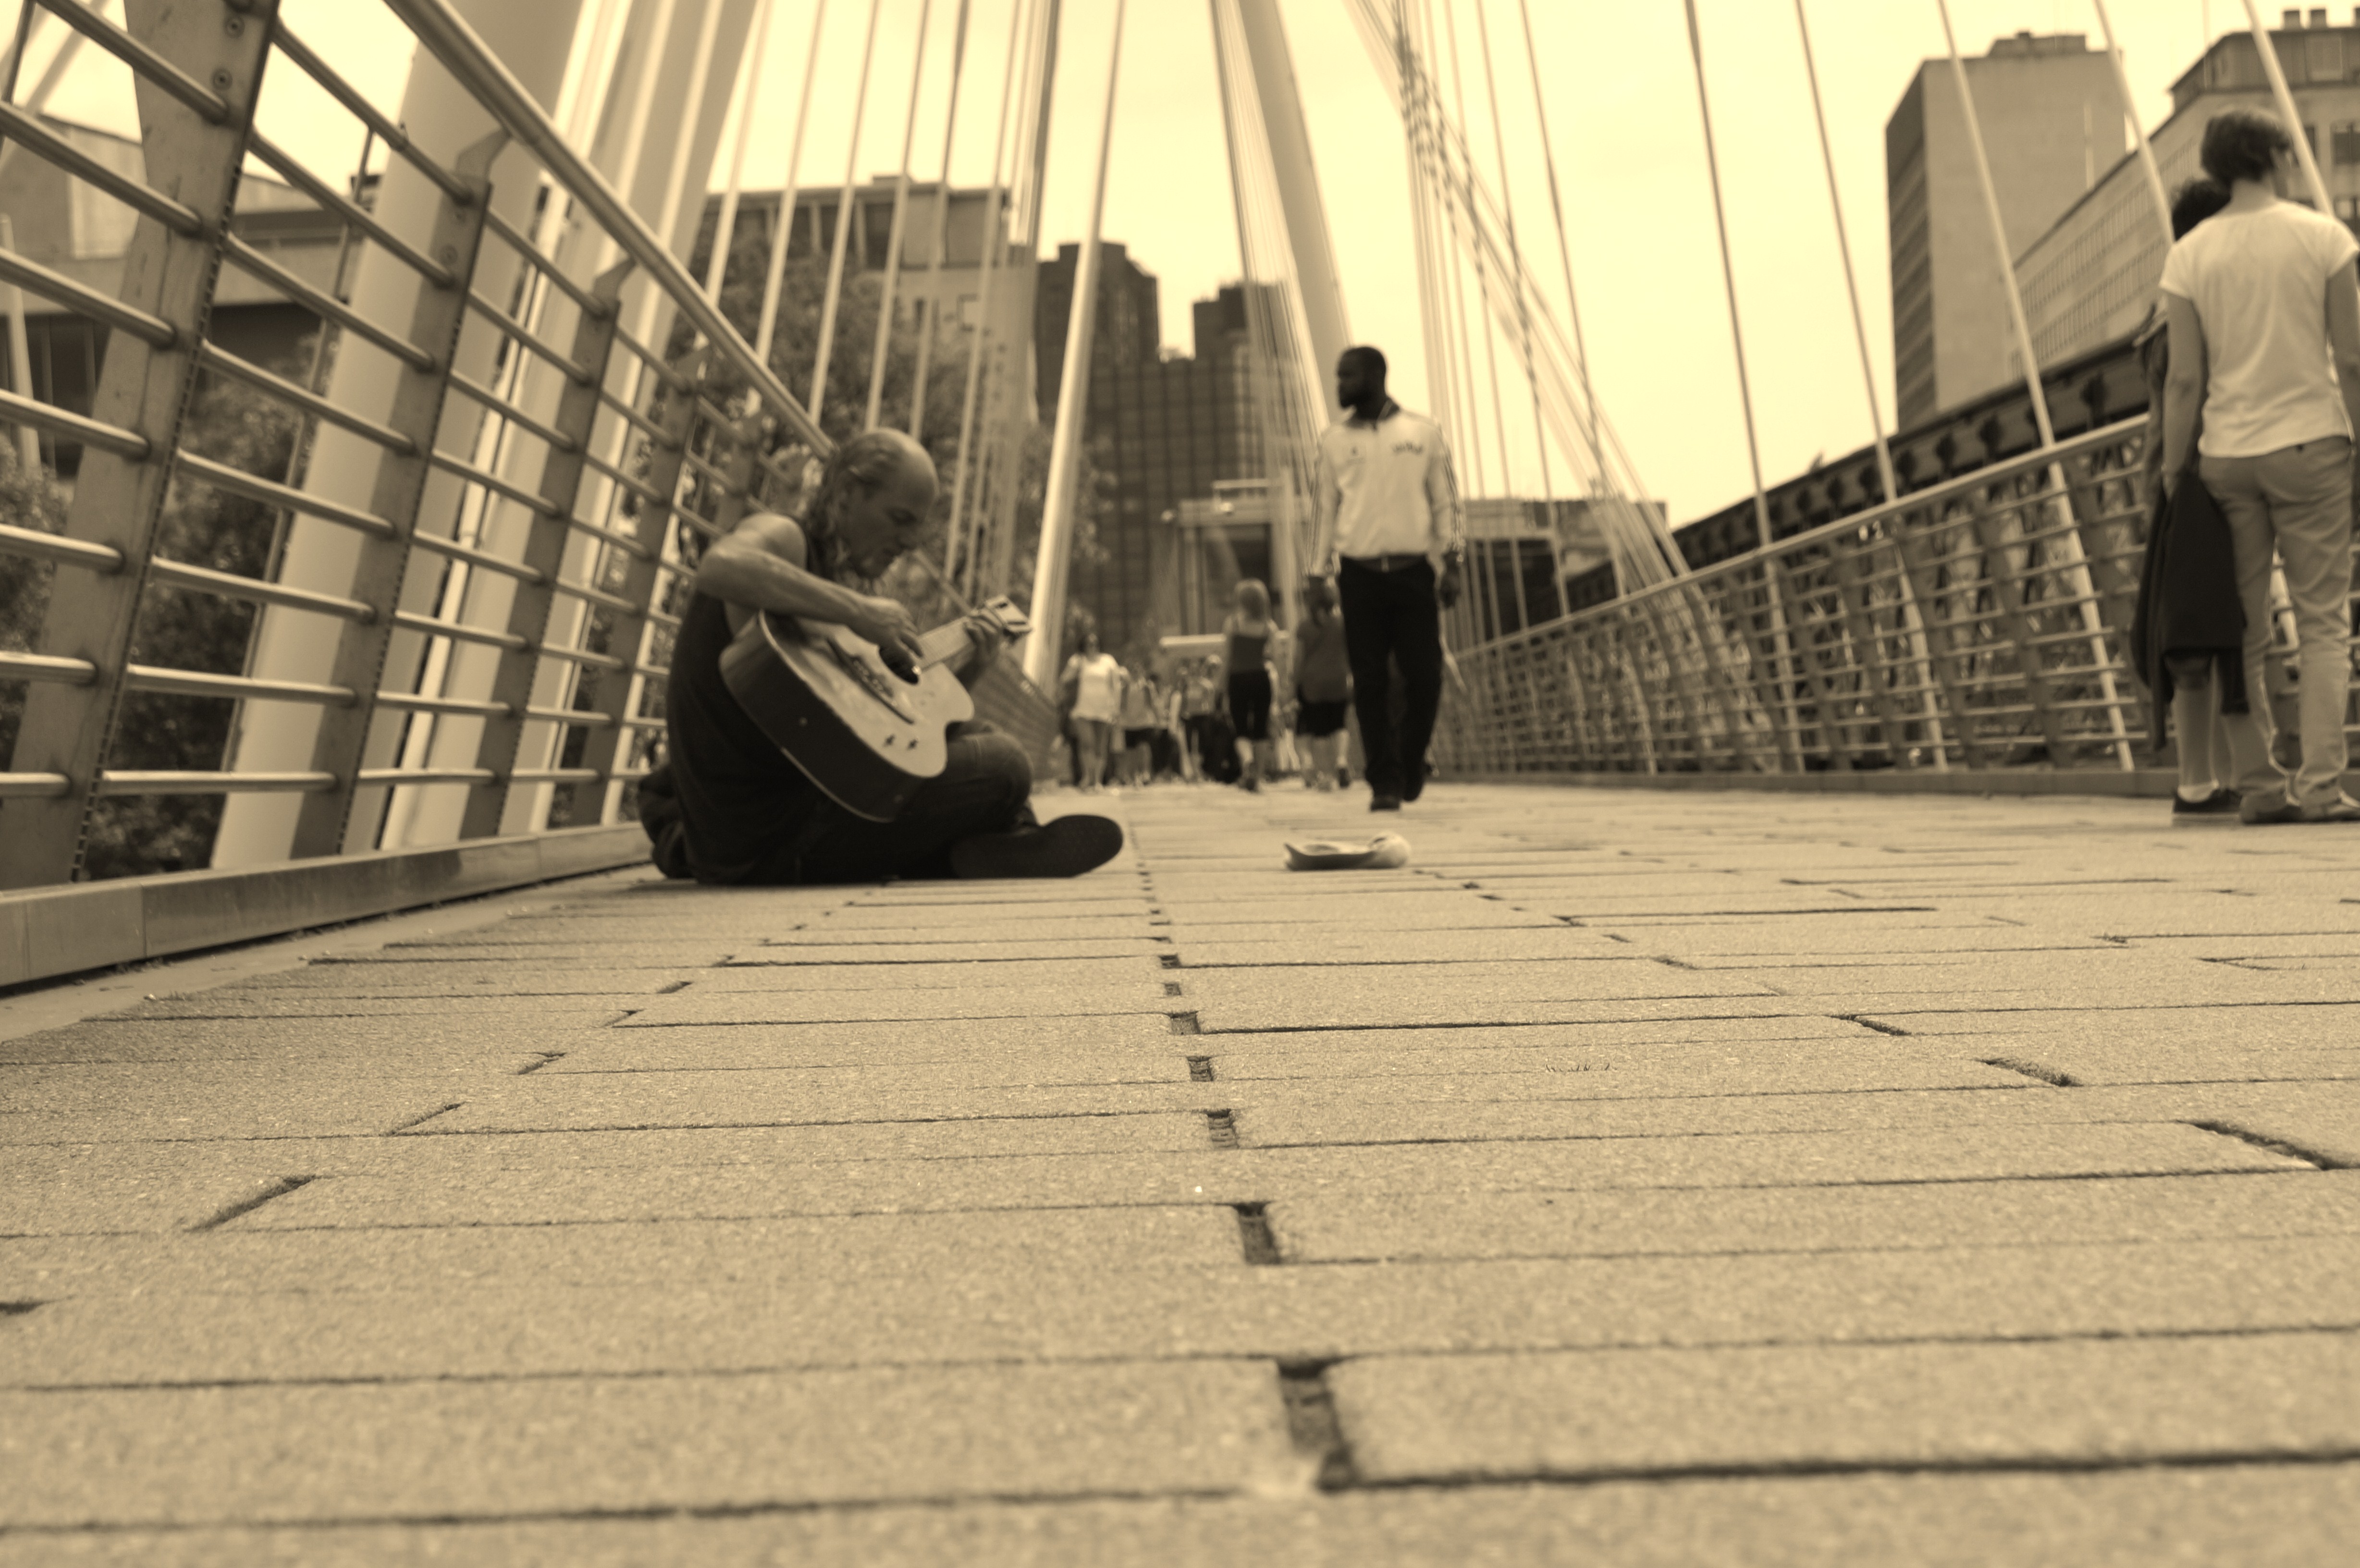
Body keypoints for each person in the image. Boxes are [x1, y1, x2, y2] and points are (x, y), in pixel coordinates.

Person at [640, 429, 1121, 882]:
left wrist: (974, 664)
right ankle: (991, 842)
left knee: (978, 735)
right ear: (847, 493)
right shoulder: (785, 538)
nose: (910, 543)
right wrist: (857, 609)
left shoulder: (829, 588)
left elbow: (902, 737)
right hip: (762, 835)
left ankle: (992, 844)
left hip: (785, 818)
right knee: (1005, 763)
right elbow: (721, 565)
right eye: (900, 519)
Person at [2161, 109, 2360, 823]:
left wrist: (2173, 471)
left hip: (2227, 456)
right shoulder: (2324, 237)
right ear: (2276, 156)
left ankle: (2260, 785)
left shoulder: (2190, 255)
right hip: (2312, 446)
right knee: (2323, 621)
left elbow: (2184, 380)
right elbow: (2352, 360)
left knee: (2242, 630)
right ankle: (2321, 786)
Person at [2132, 175, 2243, 821]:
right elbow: (2185, 390)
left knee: (2198, 628)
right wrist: (2177, 477)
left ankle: (2210, 780)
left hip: (2182, 481)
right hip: (2200, 480)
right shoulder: (2187, 309)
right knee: (2205, 632)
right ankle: (2202, 782)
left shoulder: (2166, 310)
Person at [1314, 344, 1463, 812]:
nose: (1339, 385)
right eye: (1338, 376)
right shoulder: (1333, 442)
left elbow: (1446, 502)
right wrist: (1315, 573)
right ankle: (1383, 781)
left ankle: (1411, 758)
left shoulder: (1423, 434)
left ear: (1376, 376)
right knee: (1370, 681)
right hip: (1358, 576)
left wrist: (1453, 561)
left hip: (1413, 572)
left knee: (1425, 676)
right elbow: (1324, 510)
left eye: (1347, 376)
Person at [1294, 575, 1352, 791]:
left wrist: (1294, 685)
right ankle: (1342, 762)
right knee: (1339, 724)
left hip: (1312, 684)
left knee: (1319, 730)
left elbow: (1299, 659)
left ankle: (1326, 775)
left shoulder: (1305, 627)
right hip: (1338, 680)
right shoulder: (1342, 623)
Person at [1222, 578, 1279, 791]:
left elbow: (1226, 658)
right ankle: (1259, 777)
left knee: (1241, 727)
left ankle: (1247, 761)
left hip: (1238, 678)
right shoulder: (1269, 626)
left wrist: (1221, 686)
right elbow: (1277, 657)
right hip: (1261, 678)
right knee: (1261, 727)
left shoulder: (1233, 624)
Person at [1061, 629, 1123, 793]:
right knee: (1087, 743)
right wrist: (1074, 665)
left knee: (1101, 747)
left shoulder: (1108, 661)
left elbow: (1116, 686)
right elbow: (1064, 680)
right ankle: (1087, 777)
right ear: (1083, 646)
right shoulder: (1079, 661)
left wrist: (1116, 709)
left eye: (1095, 644)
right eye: (1089, 644)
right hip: (1083, 710)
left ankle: (1098, 781)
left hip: (1104, 710)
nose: (1092, 647)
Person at [1117, 663, 1159, 787]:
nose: (1135, 673)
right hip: (1129, 723)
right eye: (1133, 670)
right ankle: (1133, 775)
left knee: (1144, 748)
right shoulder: (1125, 687)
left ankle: (1145, 773)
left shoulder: (1147, 686)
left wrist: (1157, 720)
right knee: (1130, 751)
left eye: (1138, 670)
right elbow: (1121, 705)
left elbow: (1153, 704)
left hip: (1145, 722)